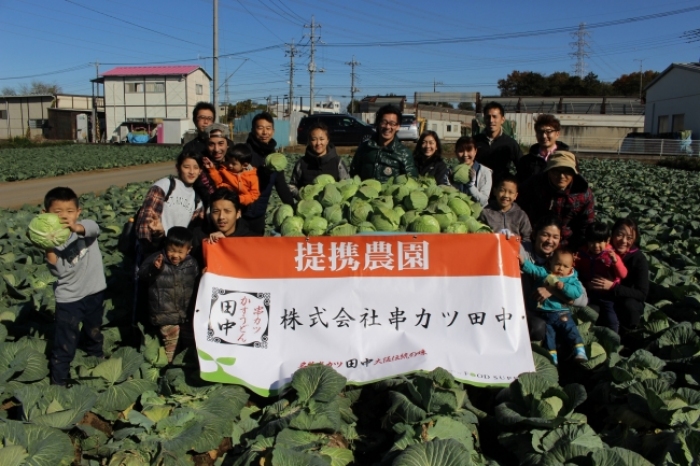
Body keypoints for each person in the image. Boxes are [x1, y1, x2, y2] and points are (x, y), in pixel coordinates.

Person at [42, 187, 107, 385]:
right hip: (69, 299)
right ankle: (59, 381)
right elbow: (60, 272)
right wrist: (48, 248)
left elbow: (93, 227)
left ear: (78, 212)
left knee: (94, 331)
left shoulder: (85, 228)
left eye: (69, 211)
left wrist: (76, 227)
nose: (64, 216)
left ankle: (96, 361)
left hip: (95, 291)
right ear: (45, 215)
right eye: (57, 212)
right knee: (65, 342)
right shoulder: (51, 243)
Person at [520, 216, 589, 343]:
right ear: (535, 234)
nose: (550, 241)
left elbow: (583, 300)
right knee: (539, 327)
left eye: (555, 237)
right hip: (522, 311)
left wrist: (553, 290)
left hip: (552, 313)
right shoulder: (522, 252)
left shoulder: (560, 259)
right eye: (545, 235)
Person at [138, 226, 199, 363]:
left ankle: (186, 366)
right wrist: (154, 269)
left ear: (188, 250)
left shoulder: (192, 263)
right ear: (166, 245)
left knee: (189, 342)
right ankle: (170, 369)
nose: (175, 255)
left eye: (180, 252)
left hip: (185, 313)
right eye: (171, 250)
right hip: (164, 313)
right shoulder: (157, 259)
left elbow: (197, 281)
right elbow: (142, 274)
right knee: (171, 344)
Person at [519, 248, 588, 365]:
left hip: (561, 313)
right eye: (557, 264)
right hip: (544, 314)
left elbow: (576, 293)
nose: (561, 268)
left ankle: (580, 351)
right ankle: (552, 358)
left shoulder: (571, 279)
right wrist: (523, 263)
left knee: (571, 331)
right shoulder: (545, 273)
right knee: (548, 337)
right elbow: (534, 270)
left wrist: (563, 287)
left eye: (565, 266)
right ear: (550, 262)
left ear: (571, 267)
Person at [517, 150, 594, 250]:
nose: (561, 176)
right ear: (548, 171)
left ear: (574, 173)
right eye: (556, 171)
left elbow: (586, 226)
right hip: (534, 243)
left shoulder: (583, 192)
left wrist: (573, 250)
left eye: (566, 171)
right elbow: (518, 213)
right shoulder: (532, 186)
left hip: (567, 246)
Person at [135, 151, 204, 260]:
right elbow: (146, 219)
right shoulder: (165, 185)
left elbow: (191, 234)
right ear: (178, 168)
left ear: (200, 171)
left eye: (196, 168)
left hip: (175, 255)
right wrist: (149, 249)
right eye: (186, 167)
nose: (191, 172)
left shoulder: (197, 200)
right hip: (154, 248)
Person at [588, 218, 649, 334]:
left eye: (629, 238)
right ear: (612, 235)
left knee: (629, 306)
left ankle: (628, 335)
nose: (624, 241)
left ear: (635, 239)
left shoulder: (639, 259)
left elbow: (642, 294)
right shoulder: (601, 250)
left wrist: (613, 287)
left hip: (625, 300)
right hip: (601, 297)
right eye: (619, 235)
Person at [245, 112, 295, 235]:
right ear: (253, 130)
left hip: (259, 214)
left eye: (268, 128)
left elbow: (281, 186)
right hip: (241, 214)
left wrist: (294, 207)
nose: (264, 132)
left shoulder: (275, 158)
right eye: (260, 128)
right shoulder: (244, 153)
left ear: (273, 131)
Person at [577, 222, 629, 334]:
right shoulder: (582, 254)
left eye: (600, 242)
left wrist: (615, 262)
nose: (596, 246)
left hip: (607, 296)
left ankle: (613, 340)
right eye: (592, 242)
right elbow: (577, 270)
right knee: (584, 315)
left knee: (612, 321)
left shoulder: (611, 255)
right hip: (589, 292)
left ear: (607, 240)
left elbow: (623, 274)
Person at [350, 104, 418, 182]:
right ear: (378, 123)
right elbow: (353, 173)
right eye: (384, 122)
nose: (387, 127)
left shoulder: (404, 153)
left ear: (398, 126)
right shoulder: (364, 148)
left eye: (392, 123)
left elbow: (412, 180)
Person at [190, 189, 256, 268]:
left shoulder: (251, 240)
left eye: (227, 211)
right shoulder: (198, 236)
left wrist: (225, 243)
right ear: (210, 213)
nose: (221, 217)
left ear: (238, 213)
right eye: (216, 211)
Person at [289, 122, 350, 198]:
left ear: (327, 140)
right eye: (314, 139)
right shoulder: (302, 164)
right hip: (309, 207)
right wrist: (302, 195)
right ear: (309, 141)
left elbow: (347, 185)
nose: (318, 143)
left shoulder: (337, 163)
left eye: (322, 139)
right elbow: (292, 186)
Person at [516, 114, 570, 185]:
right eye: (540, 132)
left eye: (548, 131)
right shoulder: (526, 161)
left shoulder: (568, 158)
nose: (544, 136)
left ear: (557, 134)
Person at [474, 101, 523, 180]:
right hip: (478, 188)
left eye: (495, 117)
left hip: (501, 189)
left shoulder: (510, 143)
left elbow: (522, 168)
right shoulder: (475, 141)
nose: (491, 120)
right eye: (488, 117)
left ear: (502, 120)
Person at [479, 174, 531, 243]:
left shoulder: (521, 215)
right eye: (502, 190)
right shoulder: (486, 213)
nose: (506, 195)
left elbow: (527, 238)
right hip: (492, 250)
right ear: (495, 191)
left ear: (515, 196)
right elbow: (480, 236)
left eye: (510, 192)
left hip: (515, 252)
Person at [451, 136, 492, 207]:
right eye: (461, 151)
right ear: (456, 152)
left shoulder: (484, 172)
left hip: (478, 215)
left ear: (475, 151)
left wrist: (470, 186)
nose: (465, 155)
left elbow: (483, 201)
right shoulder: (452, 172)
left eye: (469, 150)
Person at [197, 123, 231, 205]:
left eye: (221, 143)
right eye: (211, 144)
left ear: (228, 144)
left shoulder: (236, 164)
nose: (216, 149)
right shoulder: (199, 167)